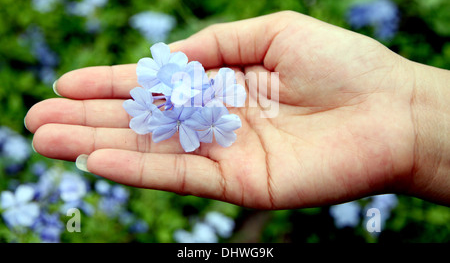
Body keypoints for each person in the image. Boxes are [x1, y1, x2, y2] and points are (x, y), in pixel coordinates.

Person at [24, 11, 450, 209]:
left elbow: (192, 105)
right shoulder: (173, 96)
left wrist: (412, 111)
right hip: (187, 108)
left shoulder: (202, 96)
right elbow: (173, 106)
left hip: (196, 106)